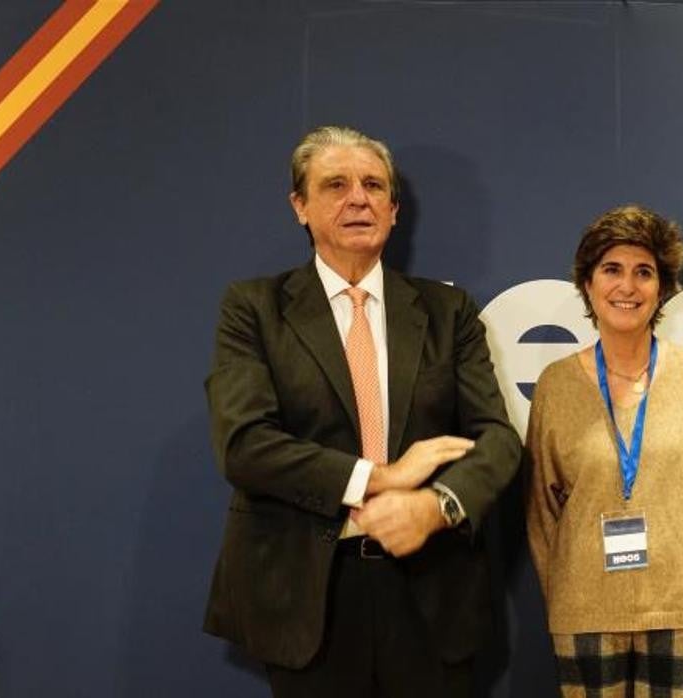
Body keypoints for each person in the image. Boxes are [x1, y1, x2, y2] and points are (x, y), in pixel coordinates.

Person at [202, 125, 521, 697]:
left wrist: (436, 506)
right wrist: (380, 477)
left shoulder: (448, 311)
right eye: (335, 185)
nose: (358, 198)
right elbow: (243, 444)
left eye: (374, 185)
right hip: (309, 598)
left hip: (431, 591)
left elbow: (496, 438)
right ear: (299, 206)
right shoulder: (253, 309)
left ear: (394, 211)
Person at [525, 205, 683, 697]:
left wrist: (680, 563)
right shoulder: (556, 384)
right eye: (611, 270)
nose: (627, 287)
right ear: (587, 284)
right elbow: (541, 510)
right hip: (585, 610)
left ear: (662, 288)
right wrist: (570, 589)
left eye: (644, 272)